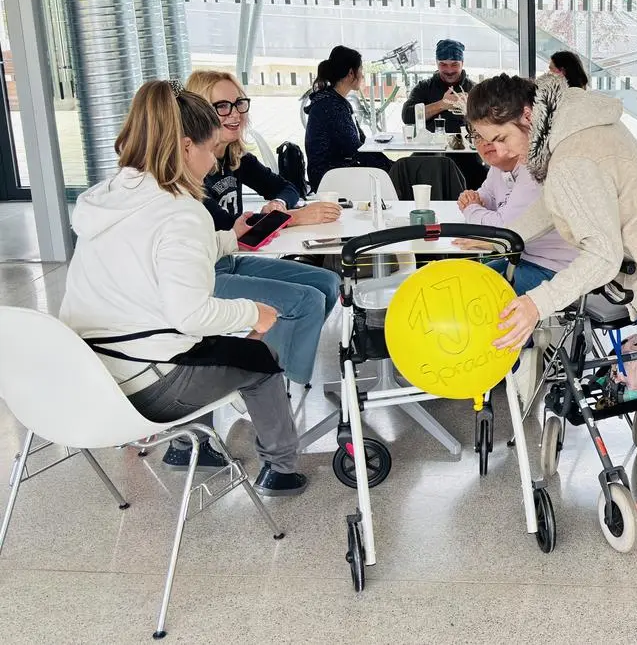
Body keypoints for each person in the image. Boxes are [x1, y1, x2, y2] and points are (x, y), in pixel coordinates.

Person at [467, 73, 637, 542]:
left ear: (528, 116)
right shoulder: (577, 124)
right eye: (483, 140)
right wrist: (507, 238)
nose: (495, 151)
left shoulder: (569, 158)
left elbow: (602, 256)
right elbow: (558, 204)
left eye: (500, 138)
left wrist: (536, 302)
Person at [58, 80, 307, 495]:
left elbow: (150, 253)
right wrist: (254, 312)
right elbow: (190, 315)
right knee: (261, 358)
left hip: (92, 376)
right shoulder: (182, 212)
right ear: (187, 147)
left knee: (210, 345)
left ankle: (193, 448)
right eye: (210, 150)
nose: (212, 164)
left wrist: (228, 239)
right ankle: (280, 470)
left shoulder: (112, 196)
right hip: (148, 385)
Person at [187, 70, 342, 388]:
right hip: (202, 274)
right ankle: (267, 384)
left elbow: (287, 188)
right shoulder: (191, 166)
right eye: (222, 106)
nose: (235, 114)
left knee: (328, 283)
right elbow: (230, 227)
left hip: (228, 259)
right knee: (307, 301)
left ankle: (265, 370)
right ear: (199, 113)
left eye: (239, 103)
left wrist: (279, 206)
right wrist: (294, 218)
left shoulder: (235, 157)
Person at [452, 81, 578, 295]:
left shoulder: (535, 167)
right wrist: (475, 203)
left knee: (471, 295)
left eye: (499, 137)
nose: (488, 144)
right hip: (524, 258)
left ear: (528, 118)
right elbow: (487, 199)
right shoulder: (499, 168)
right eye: (478, 137)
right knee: (461, 282)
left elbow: (504, 231)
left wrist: (472, 208)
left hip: (556, 268)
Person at [401, 38, 487, 188]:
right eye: (443, 64)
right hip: (428, 155)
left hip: (466, 157)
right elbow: (407, 116)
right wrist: (442, 104)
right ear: (436, 63)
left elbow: (491, 124)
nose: (449, 70)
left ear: (462, 63)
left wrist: (470, 110)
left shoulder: (474, 89)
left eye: (454, 64)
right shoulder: (424, 87)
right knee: (406, 172)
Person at [304, 45, 393, 190]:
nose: (362, 76)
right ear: (351, 73)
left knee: (398, 171)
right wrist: (390, 168)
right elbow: (354, 149)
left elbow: (361, 143)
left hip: (339, 169)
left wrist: (389, 164)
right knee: (397, 177)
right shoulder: (331, 106)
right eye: (361, 70)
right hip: (330, 176)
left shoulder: (337, 102)